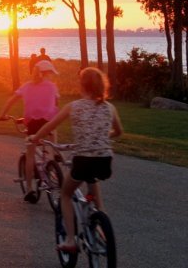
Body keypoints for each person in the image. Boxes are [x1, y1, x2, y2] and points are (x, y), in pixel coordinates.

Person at [29, 67, 123, 253]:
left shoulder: (74, 106)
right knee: (92, 181)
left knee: (65, 194)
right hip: (105, 160)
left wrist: (36, 138)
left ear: (82, 85)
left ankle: (71, 240)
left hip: (83, 160)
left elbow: (50, 125)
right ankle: (100, 218)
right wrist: (103, 137)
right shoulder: (109, 107)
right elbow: (119, 132)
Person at [0, 60, 60, 202]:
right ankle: (53, 157)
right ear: (46, 73)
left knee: (30, 155)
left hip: (33, 125)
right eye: (51, 73)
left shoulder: (26, 86)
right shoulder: (52, 87)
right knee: (53, 132)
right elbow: (56, 105)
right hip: (48, 124)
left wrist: (2, 115)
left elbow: (11, 100)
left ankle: (30, 189)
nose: (52, 76)